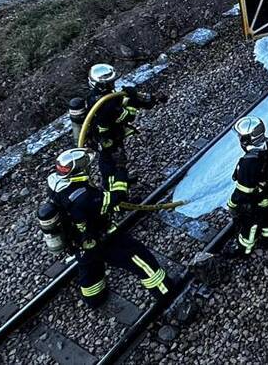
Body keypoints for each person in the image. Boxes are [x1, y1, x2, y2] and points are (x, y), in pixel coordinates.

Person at [39, 148, 171, 307]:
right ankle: (167, 293)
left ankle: (94, 299)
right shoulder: (86, 197)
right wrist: (120, 169)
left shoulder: (55, 184)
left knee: (90, 270)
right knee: (140, 259)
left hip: (78, 242)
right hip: (102, 239)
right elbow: (117, 199)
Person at [72, 63, 155, 203]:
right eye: (111, 82)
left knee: (119, 162)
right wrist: (133, 100)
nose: (113, 84)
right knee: (113, 168)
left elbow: (118, 104)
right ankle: (118, 200)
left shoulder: (98, 97)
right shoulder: (105, 103)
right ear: (102, 84)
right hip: (107, 140)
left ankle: (122, 183)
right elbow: (126, 115)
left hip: (111, 137)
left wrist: (133, 97)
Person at [226, 117, 268, 255]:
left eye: (241, 136)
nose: (239, 138)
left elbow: (243, 192)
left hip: (257, 202)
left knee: (249, 227)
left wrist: (232, 204)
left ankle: (244, 250)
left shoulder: (248, 163)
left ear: (247, 139)